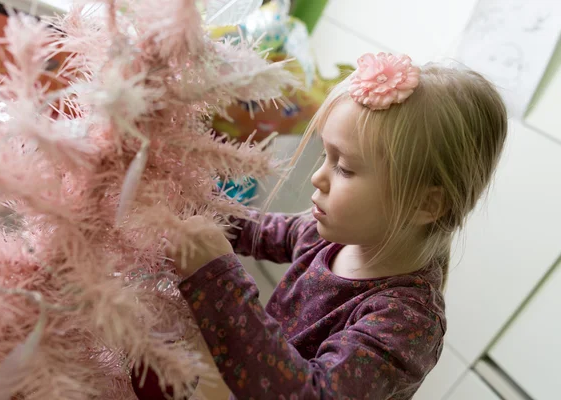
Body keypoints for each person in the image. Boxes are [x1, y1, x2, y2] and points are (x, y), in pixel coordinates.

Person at [134, 52, 508, 399]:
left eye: (344, 167)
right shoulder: (330, 236)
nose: (318, 178)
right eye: (325, 156)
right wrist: (184, 188)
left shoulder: (406, 323)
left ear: (425, 204)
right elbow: (248, 228)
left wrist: (218, 280)